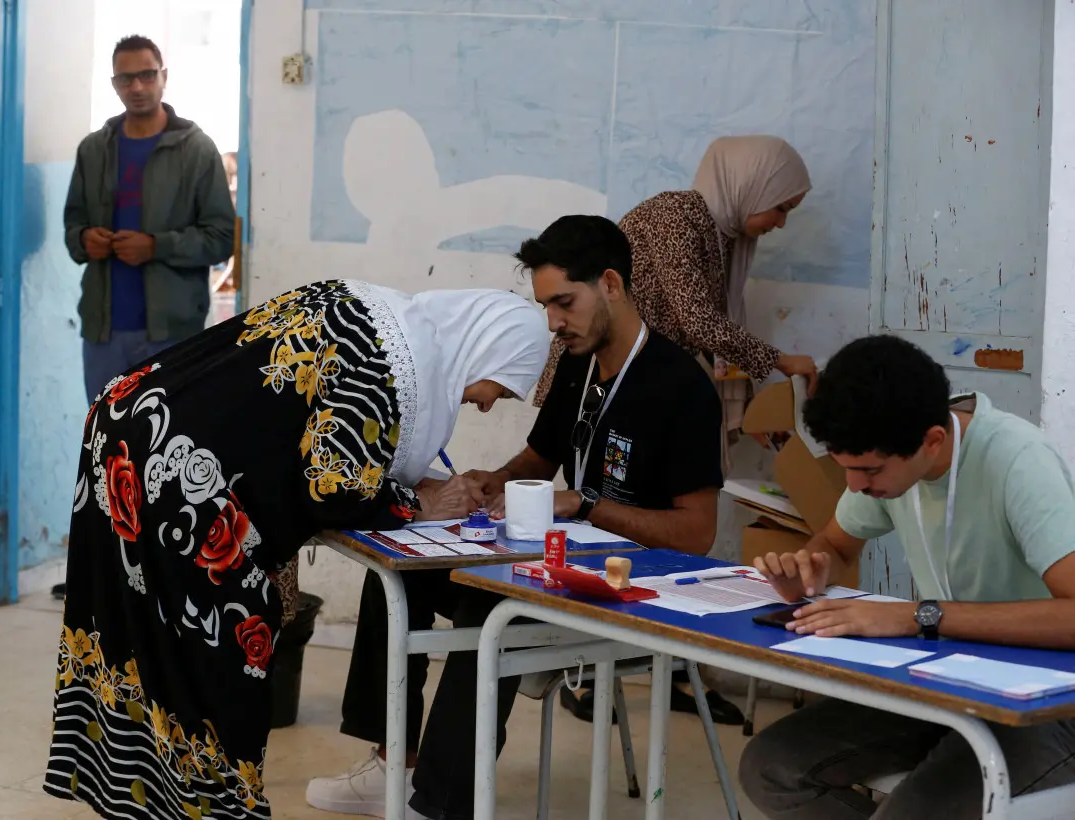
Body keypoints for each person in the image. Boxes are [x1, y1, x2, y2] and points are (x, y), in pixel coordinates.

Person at [43, 279, 550, 820]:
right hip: (176, 474)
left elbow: (327, 442)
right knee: (209, 659)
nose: (489, 405)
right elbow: (333, 491)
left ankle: (136, 795)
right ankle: (208, 808)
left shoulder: (381, 319)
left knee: (134, 637)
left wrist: (411, 490)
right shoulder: (387, 368)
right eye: (505, 388)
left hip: (131, 426)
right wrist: (421, 507)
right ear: (491, 348)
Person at [306, 215, 725, 820]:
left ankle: (442, 804)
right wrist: (489, 481)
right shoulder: (579, 364)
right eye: (546, 306)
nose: (553, 322)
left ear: (611, 283)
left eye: (564, 303)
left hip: (632, 584)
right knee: (395, 569)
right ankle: (393, 761)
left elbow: (697, 534)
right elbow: (541, 454)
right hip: (564, 560)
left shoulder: (681, 385)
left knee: (489, 607)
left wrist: (585, 505)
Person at [739, 335, 1075, 819]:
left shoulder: (1017, 462)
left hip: (1047, 704)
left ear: (932, 441)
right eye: (845, 468)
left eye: (868, 470)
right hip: (951, 682)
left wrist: (917, 617)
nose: (855, 485)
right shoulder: (890, 459)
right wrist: (808, 571)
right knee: (770, 768)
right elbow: (835, 543)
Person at [535, 135, 817, 462]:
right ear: (751, 185)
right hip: (598, 376)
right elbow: (698, 321)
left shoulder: (724, 238)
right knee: (593, 488)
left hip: (643, 384)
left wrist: (746, 407)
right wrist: (781, 360)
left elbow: (711, 333)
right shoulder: (676, 213)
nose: (781, 223)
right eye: (780, 207)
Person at [64, 34, 235, 403]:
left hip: (172, 332)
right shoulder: (94, 149)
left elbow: (221, 238)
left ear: (164, 76)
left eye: (147, 74)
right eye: (125, 78)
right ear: (114, 84)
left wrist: (156, 247)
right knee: (106, 443)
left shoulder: (196, 149)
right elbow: (72, 227)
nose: (137, 86)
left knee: (169, 444)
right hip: (103, 332)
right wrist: (83, 240)